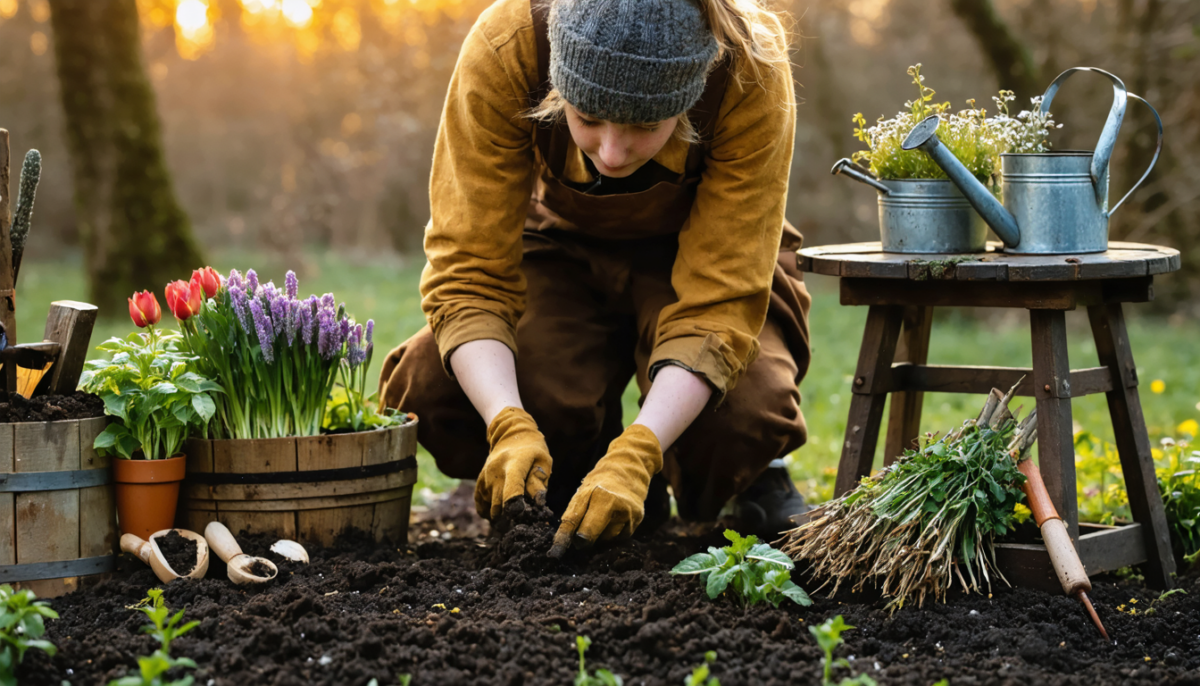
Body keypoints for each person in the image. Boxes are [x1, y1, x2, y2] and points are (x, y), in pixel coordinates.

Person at [380, 0, 812, 556]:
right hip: (560, 246)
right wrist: (507, 422)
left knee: (744, 416)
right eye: (586, 118)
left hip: (700, 250)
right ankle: (584, 466)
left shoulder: (749, 63)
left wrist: (643, 449)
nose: (611, 153)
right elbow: (471, 272)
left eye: (644, 127)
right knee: (435, 387)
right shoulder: (508, 45)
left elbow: (719, 302)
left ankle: (749, 475)